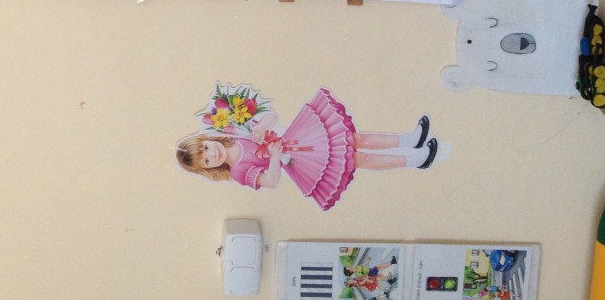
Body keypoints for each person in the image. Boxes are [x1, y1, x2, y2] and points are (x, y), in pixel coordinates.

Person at [175, 87, 436, 211]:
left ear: (208, 139)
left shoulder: (235, 134)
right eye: (207, 160)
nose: (212, 154)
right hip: (298, 161)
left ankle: (410, 140)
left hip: (300, 136)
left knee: (356, 139)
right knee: (358, 159)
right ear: (209, 169)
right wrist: (275, 158)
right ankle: (414, 160)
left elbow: (272, 117)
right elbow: (271, 182)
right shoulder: (239, 172)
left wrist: (263, 125)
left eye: (206, 148)